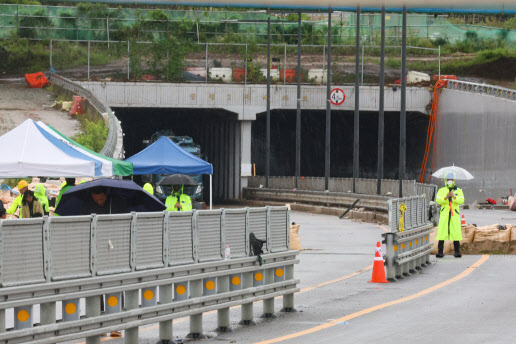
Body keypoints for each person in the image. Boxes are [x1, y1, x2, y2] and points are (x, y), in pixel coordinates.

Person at [435, 171, 464, 258]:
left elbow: (461, 200)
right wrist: (446, 197)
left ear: (454, 180)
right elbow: (438, 200)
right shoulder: (441, 190)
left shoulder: (458, 190)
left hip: (454, 214)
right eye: (448, 179)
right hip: (444, 214)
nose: (449, 181)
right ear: (445, 180)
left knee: (455, 232)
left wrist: (454, 197)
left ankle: (457, 251)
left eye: (451, 179)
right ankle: (440, 252)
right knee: (442, 232)